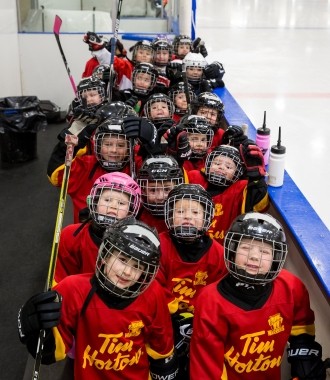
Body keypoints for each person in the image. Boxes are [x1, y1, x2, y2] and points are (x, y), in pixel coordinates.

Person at [18, 217, 179, 379]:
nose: (128, 272)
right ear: (105, 255)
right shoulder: (73, 289)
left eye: (138, 266)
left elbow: (161, 347)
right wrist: (33, 332)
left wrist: (166, 370)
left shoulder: (153, 294)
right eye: (122, 260)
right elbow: (50, 354)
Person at [190, 212, 327, 380]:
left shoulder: (291, 287)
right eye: (246, 247)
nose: (254, 256)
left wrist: (304, 368)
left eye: (264, 251)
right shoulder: (210, 300)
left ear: (276, 258)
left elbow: (302, 332)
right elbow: (207, 370)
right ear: (232, 250)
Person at [157, 183, 228, 378]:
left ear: (207, 218)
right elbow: (154, 288)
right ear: (170, 215)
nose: (188, 216)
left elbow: (219, 297)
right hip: (165, 321)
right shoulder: (159, 245)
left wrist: (198, 321)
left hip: (202, 325)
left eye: (196, 212)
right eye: (180, 211)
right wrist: (174, 316)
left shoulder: (218, 254)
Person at [48, 103, 138, 223]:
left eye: (121, 145)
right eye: (108, 144)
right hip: (87, 235)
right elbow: (56, 175)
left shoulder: (136, 164)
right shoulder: (86, 166)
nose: (114, 150)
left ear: (130, 146)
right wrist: (68, 142)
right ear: (98, 144)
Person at [54, 172, 141, 285]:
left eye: (121, 203)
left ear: (131, 211)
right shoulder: (71, 235)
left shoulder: (138, 245)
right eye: (107, 200)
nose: (113, 206)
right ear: (94, 203)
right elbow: (61, 281)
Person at [188, 144, 269, 244]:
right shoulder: (194, 178)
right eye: (217, 163)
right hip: (190, 242)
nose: (221, 167)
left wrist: (257, 181)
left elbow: (259, 208)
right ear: (208, 164)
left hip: (223, 248)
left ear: (237, 172)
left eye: (228, 166)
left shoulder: (240, 188)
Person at [137, 155, 186, 233]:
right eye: (153, 190)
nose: (160, 197)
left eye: (167, 189)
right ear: (143, 190)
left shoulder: (186, 216)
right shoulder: (136, 214)